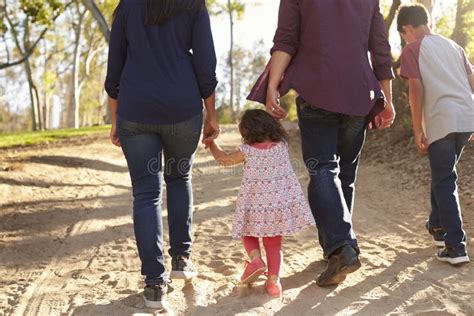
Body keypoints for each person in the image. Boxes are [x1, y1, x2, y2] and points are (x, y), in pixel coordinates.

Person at [248, 0, 395, 286]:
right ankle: (338, 245)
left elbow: (286, 39)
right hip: (358, 91)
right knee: (345, 175)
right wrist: (386, 98)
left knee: (323, 169)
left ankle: (341, 247)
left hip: (317, 87)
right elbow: (380, 47)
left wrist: (272, 86)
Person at [104, 0, 219, 308]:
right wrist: (211, 113)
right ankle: (181, 259)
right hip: (182, 108)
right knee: (179, 178)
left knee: (145, 194)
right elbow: (205, 63)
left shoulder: (127, 7)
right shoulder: (193, 5)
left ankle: (154, 284)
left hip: (135, 110)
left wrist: (116, 119)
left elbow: (114, 67)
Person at [207, 109, 315, 297]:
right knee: (274, 245)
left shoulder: (246, 151)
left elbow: (223, 160)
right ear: (271, 127)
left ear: (246, 132)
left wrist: (211, 143)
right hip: (277, 207)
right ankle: (273, 283)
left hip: (254, 205)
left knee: (247, 233)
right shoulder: (281, 145)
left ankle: (256, 260)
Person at [398, 4, 474, 265]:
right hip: (466, 117)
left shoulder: (412, 49)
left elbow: (416, 90)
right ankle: (437, 226)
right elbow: (473, 81)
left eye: (403, 34)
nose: (405, 38)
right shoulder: (454, 47)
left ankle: (456, 247)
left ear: (407, 28)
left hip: (441, 118)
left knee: (444, 179)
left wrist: (418, 128)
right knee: (443, 172)